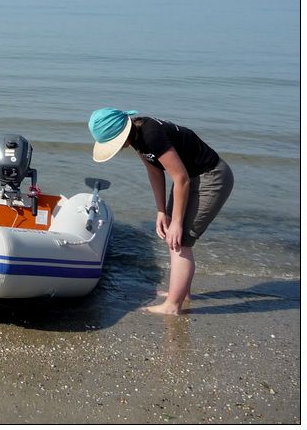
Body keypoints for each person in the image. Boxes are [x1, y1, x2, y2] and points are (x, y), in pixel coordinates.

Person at [88, 108, 234, 315]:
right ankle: (182, 292)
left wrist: (176, 222)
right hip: (188, 178)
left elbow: (180, 178)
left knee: (180, 241)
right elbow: (155, 171)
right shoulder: (138, 137)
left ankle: (173, 306)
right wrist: (161, 212)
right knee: (172, 237)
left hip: (211, 178)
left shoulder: (151, 134)